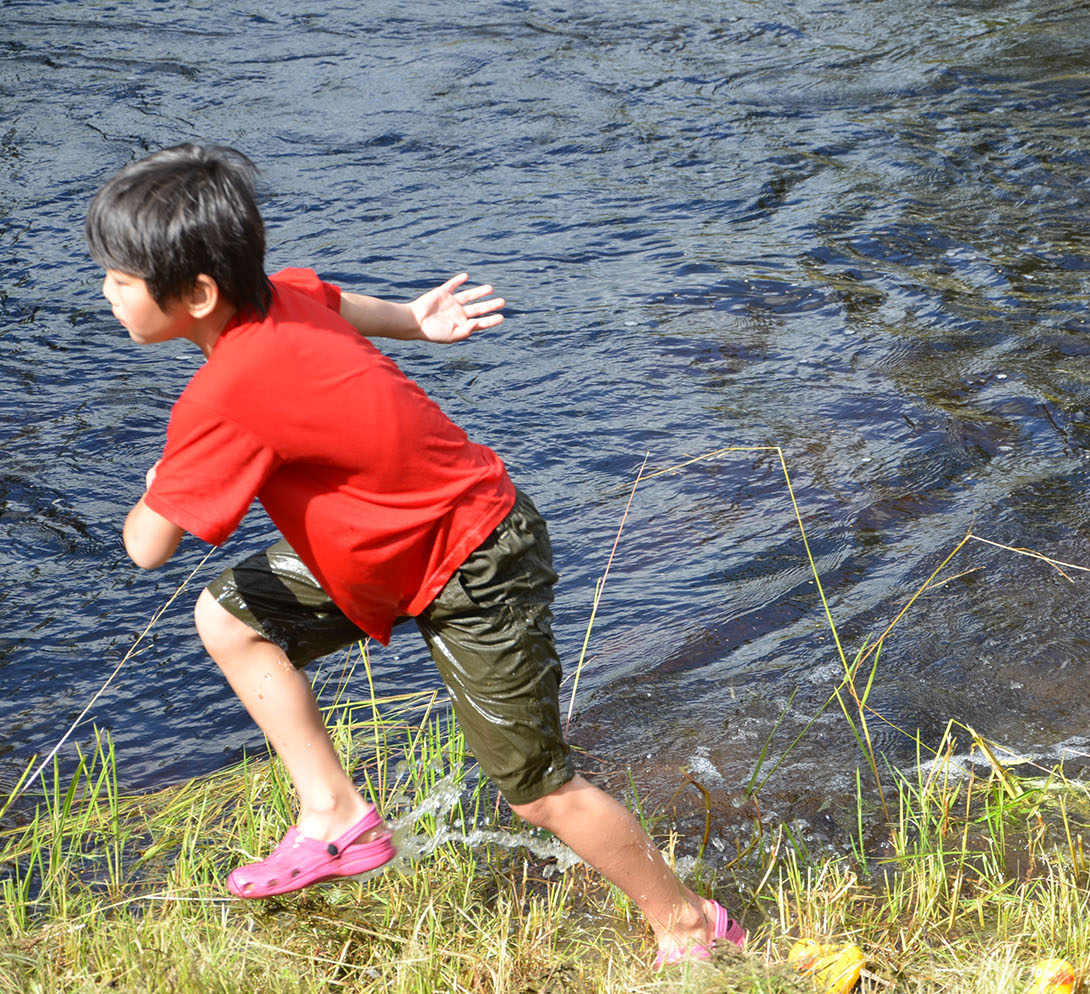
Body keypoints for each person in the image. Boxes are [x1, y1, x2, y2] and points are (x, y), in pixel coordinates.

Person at [86, 143, 744, 967]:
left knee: (540, 792)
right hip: (402, 548)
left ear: (197, 295)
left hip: (474, 559)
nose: (106, 294)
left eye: (118, 280)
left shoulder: (221, 397)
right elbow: (334, 301)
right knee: (230, 616)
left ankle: (691, 927)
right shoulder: (279, 296)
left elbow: (145, 547)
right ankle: (332, 813)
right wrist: (414, 320)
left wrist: (159, 482)